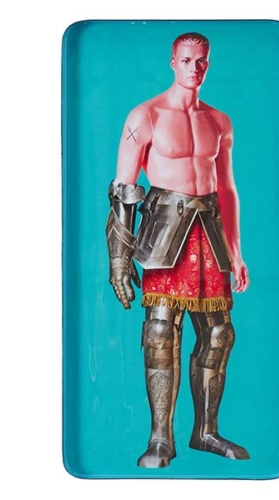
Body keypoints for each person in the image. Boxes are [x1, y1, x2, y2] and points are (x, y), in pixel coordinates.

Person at [106, 32, 250, 468]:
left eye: (201, 60)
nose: (194, 68)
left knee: (219, 334)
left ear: (208, 63)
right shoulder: (146, 115)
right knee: (160, 333)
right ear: (173, 62)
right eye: (186, 60)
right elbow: (124, 189)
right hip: (164, 231)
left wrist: (236, 252)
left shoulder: (219, 121)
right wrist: (118, 259)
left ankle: (206, 432)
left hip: (209, 231)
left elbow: (226, 188)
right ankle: (160, 439)